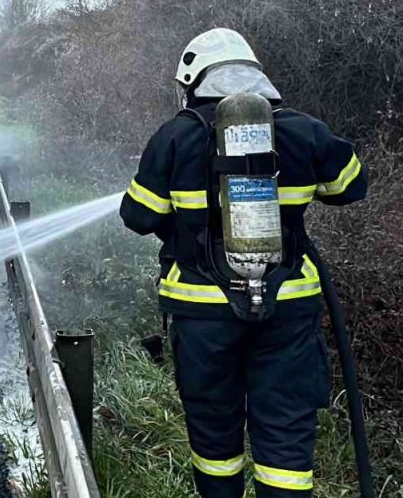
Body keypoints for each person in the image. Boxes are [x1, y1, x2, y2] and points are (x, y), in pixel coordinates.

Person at [121, 28, 368, 497]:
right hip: (288, 309)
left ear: (193, 81)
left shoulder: (176, 136)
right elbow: (350, 187)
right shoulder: (302, 130)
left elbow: (138, 216)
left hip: (202, 312)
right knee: (286, 434)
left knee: (214, 432)